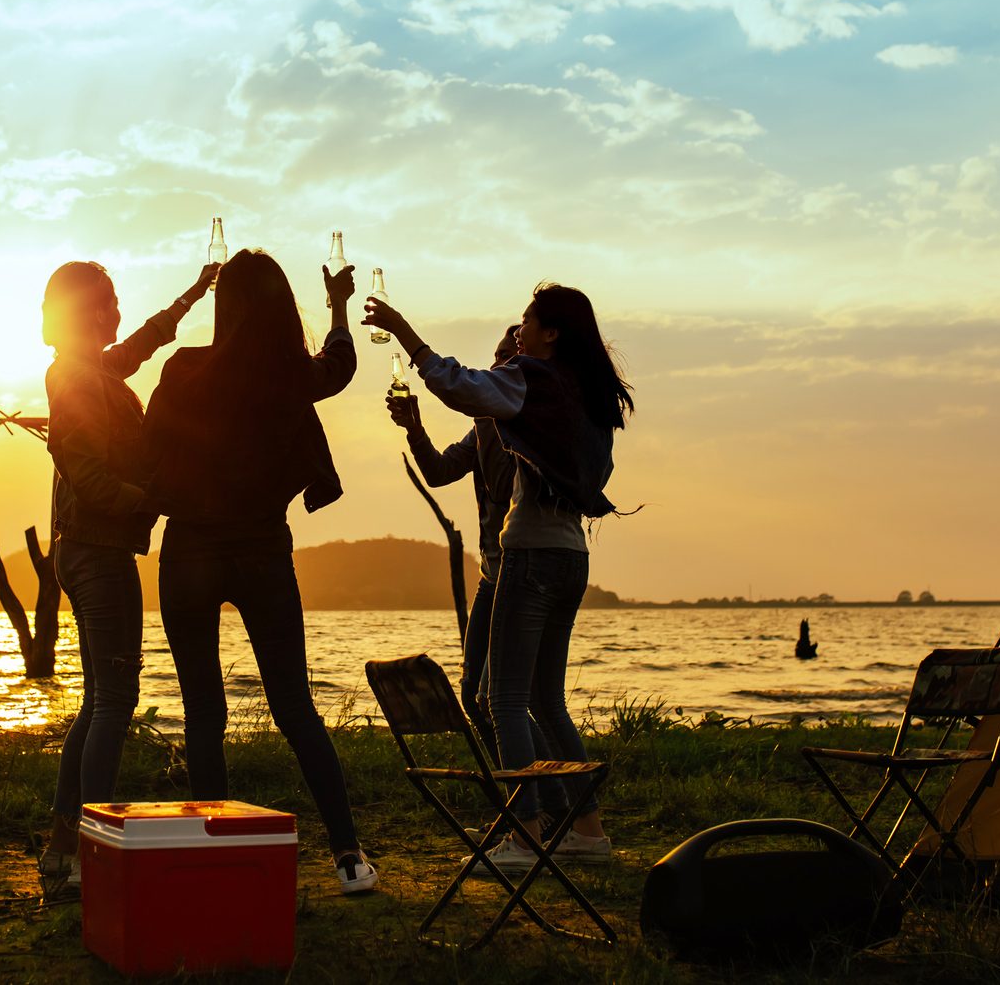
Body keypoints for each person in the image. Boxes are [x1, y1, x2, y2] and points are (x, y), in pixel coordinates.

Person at [364, 283, 633, 869]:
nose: (519, 334)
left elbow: (459, 384)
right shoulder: (589, 397)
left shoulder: (533, 380)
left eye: (526, 323)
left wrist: (405, 330)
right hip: (571, 555)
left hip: (529, 553)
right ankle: (587, 830)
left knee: (501, 697)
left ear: (550, 334)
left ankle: (528, 834)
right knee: (545, 699)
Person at [141, 250, 379, 895]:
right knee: (296, 708)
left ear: (225, 307)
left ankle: (213, 859)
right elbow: (342, 365)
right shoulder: (289, 376)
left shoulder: (184, 368)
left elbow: (147, 450)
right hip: (264, 553)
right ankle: (349, 856)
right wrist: (335, 304)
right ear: (280, 308)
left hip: (189, 551)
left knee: (203, 714)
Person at [38, 257, 217, 899]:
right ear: (82, 310)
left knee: (99, 700)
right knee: (114, 703)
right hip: (98, 548)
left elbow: (146, 341)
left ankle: (63, 846)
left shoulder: (92, 370)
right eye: (106, 300)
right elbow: (87, 479)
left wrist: (196, 292)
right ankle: (90, 852)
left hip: (94, 549)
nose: (115, 311)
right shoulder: (78, 381)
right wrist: (155, 500)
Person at [385, 325, 525, 752]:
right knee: (473, 695)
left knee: (501, 699)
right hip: (491, 576)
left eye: (508, 359)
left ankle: (541, 793)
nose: (498, 365)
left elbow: (502, 488)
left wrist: (484, 414)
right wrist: (415, 428)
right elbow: (439, 472)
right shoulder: (483, 425)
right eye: (496, 357)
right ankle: (521, 787)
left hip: (521, 575)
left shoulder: (521, 426)